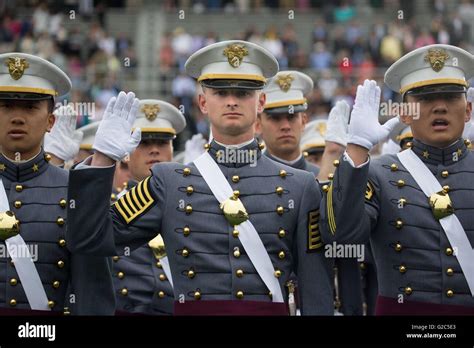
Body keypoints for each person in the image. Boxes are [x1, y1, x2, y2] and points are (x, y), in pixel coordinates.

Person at [66, 40, 333, 315]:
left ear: (261, 102)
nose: (232, 100)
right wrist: (101, 160)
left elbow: (315, 288)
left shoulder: (300, 186)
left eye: (243, 93)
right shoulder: (167, 181)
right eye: (220, 92)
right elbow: (90, 238)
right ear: (203, 102)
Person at [321, 44, 474, 314]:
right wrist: (356, 148)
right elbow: (339, 238)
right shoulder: (379, 172)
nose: (440, 107)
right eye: (425, 98)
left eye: (451, 97)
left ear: (469, 109)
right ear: (404, 113)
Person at [0, 52, 114, 314]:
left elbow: (92, 296)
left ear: (50, 121)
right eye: (6, 105)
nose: (17, 117)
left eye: (30, 107)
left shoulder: (77, 191)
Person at [113, 99, 185, 315]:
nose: (154, 150)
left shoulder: (191, 204)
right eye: (143, 143)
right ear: (127, 153)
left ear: (173, 149)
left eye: (162, 143)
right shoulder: (111, 210)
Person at [256, 70, 319, 175]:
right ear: (257, 124)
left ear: (303, 122)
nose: (285, 126)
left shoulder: (322, 178)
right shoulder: (250, 176)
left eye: (291, 117)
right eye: (275, 118)